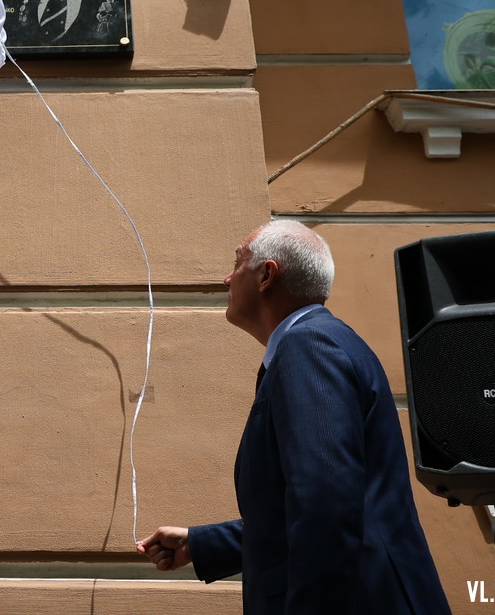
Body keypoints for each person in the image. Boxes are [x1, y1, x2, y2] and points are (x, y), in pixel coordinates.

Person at [137, 220, 450, 614]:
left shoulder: (308, 345)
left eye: (237, 264)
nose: (226, 279)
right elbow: (316, 508)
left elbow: (326, 508)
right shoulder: (320, 341)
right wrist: (202, 544)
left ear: (267, 274)